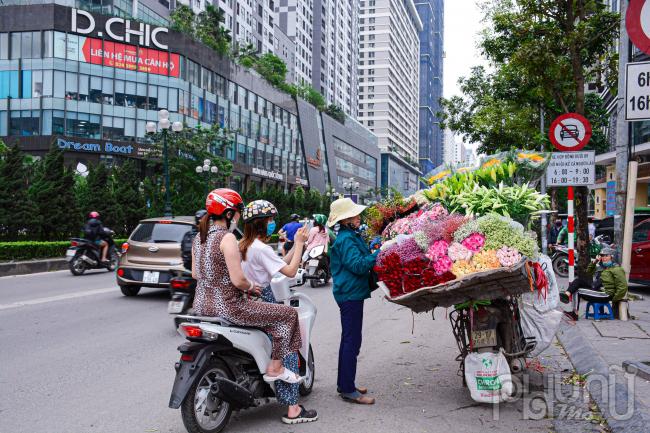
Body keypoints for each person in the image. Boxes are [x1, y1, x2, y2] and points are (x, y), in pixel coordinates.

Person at [192, 189, 303, 385]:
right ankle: (276, 367)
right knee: (288, 315)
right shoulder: (227, 238)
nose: (237, 217)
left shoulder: (199, 238)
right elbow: (238, 281)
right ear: (228, 214)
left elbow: (195, 274)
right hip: (229, 307)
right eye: (236, 212)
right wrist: (252, 286)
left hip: (201, 306)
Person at [239, 200, 317, 425]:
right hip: (263, 299)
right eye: (270, 220)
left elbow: (278, 264)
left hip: (245, 300)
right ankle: (293, 408)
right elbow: (291, 270)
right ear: (261, 224)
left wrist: (293, 246)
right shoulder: (261, 248)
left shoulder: (242, 245)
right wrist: (301, 243)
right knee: (289, 345)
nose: (273, 224)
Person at [328, 198, 379, 405]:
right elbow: (358, 266)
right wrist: (378, 255)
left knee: (349, 340)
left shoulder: (350, 235)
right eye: (355, 215)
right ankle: (348, 389)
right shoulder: (346, 239)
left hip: (351, 293)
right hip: (349, 295)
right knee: (351, 341)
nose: (359, 218)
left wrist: (374, 250)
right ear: (346, 220)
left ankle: (345, 383)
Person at [559, 247, 628, 320]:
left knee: (578, 290)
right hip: (596, 289)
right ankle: (567, 294)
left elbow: (623, 287)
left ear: (612, 257)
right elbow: (588, 272)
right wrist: (595, 261)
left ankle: (574, 313)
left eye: (606, 256)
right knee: (578, 281)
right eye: (602, 256)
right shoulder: (603, 267)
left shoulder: (617, 269)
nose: (604, 258)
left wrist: (614, 299)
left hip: (605, 294)